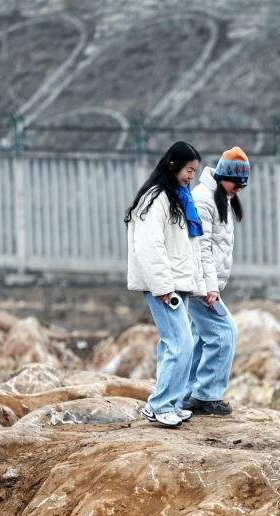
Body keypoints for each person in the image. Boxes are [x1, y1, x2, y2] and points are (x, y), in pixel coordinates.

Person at [125, 141, 205, 428]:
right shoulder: (156, 199)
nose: (191, 176)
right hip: (164, 287)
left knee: (178, 342)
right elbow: (149, 246)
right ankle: (159, 405)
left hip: (176, 283)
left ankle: (171, 401)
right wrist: (162, 287)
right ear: (173, 165)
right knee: (179, 342)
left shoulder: (178, 197)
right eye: (188, 170)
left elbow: (187, 246)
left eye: (195, 171)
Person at [179, 146, 249, 416]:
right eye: (236, 183)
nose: (238, 189)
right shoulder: (204, 199)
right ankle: (206, 395)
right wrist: (209, 287)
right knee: (224, 332)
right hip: (199, 284)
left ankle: (188, 393)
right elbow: (201, 247)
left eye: (243, 185)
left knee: (202, 338)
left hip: (205, 283)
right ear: (223, 176)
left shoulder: (220, 197)